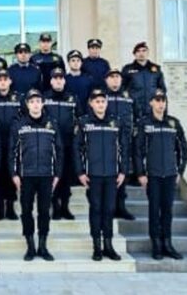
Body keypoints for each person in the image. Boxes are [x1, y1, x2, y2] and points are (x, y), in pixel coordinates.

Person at [74, 89, 129, 261]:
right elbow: (77, 149)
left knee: (109, 209)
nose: (100, 104)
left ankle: (108, 245)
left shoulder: (116, 122)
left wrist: (123, 171)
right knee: (96, 209)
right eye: (97, 101)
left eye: (103, 101)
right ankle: (97, 246)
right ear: (91, 104)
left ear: (106, 103)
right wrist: (80, 172)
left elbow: (124, 148)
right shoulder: (84, 122)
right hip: (93, 175)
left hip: (112, 174)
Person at [135, 90, 187, 261]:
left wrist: (180, 171)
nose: (161, 104)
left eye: (163, 100)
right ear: (151, 102)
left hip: (170, 175)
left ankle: (167, 243)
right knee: (154, 210)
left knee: (167, 211)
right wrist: (141, 173)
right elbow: (137, 151)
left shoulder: (173, 123)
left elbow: (183, 149)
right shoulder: (144, 124)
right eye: (157, 100)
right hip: (153, 175)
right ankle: (156, 245)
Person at [9, 89, 62, 262]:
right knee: (26, 211)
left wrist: (57, 174)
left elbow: (59, 151)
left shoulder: (52, 124)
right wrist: (14, 173)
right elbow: (12, 151)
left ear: (43, 103)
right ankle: (30, 246)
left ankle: (43, 246)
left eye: (38, 101)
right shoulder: (19, 124)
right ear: (27, 104)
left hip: (47, 175)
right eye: (32, 101)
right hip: (26, 176)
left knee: (44, 211)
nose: (35, 104)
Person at [43, 68, 79, 221]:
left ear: (64, 80)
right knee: (53, 177)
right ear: (51, 81)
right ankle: (55, 207)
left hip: (68, 144)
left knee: (66, 178)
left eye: (60, 78)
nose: (58, 81)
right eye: (55, 78)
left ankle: (65, 206)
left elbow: (79, 117)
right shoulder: (44, 97)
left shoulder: (72, 98)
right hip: (50, 145)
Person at [0, 70, 22, 221]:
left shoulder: (19, 98)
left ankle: (11, 207)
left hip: (14, 142)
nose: (2, 82)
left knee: (11, 173)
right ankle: (0, 207)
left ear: (10, 81)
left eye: (5, 79)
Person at [105, 69, 136, 221]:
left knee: (123, 173)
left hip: (125, 139)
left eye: (117, 77)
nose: (115, 80)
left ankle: (121, 207)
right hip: (107, 140)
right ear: (106, 80)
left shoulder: (129, 96)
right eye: (112, 77)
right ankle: (110, 208)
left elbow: (136, 115)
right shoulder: (101, 96)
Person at [122, 42, 167, 119]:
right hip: (134, 108)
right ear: (134, 54)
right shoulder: (128, 69)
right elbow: (122, 87)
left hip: (152, 108)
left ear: (148, 53)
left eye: (144, 51)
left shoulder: (156, 69)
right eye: (138, 51)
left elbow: (162, 89)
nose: (141, 53)